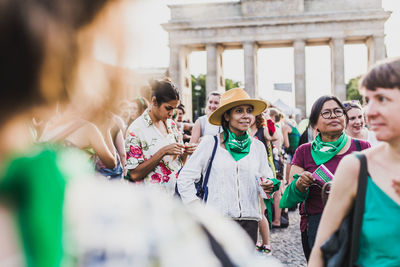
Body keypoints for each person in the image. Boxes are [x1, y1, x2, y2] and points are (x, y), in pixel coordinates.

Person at [309, 58, 400, 267]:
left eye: (382, 99)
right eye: (368, 100)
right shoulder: (356, 167)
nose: (370, 112)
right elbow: (320, 252)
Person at [177, 88, 275, 244]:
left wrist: (269, 184)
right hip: (217, 222)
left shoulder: (258, 147)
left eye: (249, 111)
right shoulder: (210, 143)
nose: (246, 116)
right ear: (227, 116)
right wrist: (198, 209)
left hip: (249, 223)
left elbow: (267, 176)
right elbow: (184, 178)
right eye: (239, 111)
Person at [279, 95, 370, 261]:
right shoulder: (304, 151)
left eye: (338, 112)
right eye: (326, 113)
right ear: (314, 124)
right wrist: (300, 184)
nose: (334, 116)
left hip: (355, 221)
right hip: (317, 223)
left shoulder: (362, 147)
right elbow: (289, 199)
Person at [125, 78, 196, 194]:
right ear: (154, 102)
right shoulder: (136, 130)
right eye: (168, 108)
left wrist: (185, 153)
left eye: (174, 109)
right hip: (152, 200)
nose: (172, 114)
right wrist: (162, 152)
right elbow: (134, 174)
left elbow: (179, 164)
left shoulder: (172, 124)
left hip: (177, 195)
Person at [249, 114, 280, 254]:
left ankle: (266, 243)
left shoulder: (263, 130)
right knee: (253, 210)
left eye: (250, 113)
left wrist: (269, 122)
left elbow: (274, 137)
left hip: (263, 171)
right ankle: (256, 241)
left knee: (260, 211)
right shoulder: (246, 132)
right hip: (250, 172)